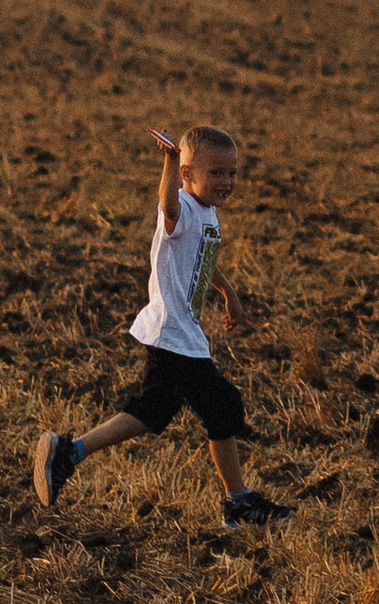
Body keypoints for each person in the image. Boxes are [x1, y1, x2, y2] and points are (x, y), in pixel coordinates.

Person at [31, 124, 290, 525]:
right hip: (174, 334)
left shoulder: (207, 213)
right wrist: (169, 161)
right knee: (220, 406)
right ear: (188, 175)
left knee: (154, 411)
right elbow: (168, 208)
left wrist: (228, 291)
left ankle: (71, 452)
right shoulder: (183, 208)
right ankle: (238, 502)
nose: (227, 181)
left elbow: (202, 258)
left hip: (181, 334)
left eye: (232, 172)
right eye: (216, 173)